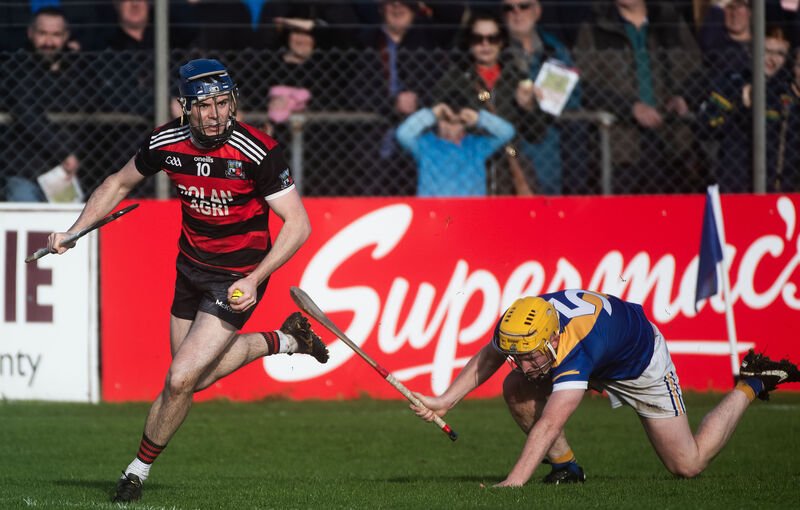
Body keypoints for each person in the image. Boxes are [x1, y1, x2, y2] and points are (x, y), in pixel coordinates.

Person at [45, 59, 329, 503]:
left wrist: (256, 278)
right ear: (185, 108)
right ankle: (286, 341)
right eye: (205, 106)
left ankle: (135, 473)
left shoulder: (257, 152)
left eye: (222, 103)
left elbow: (298, 224)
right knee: (194, 378)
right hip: (190, 266)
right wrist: (75, 230)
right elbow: (118, 183)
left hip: (238, 274)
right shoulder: (166, 142)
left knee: (179, 380)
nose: (216, 114)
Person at [411, 290, 800, 486]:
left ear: (551, 342)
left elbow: (549, 422)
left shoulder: (578, 347)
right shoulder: (524, 326)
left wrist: (512, 484)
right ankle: (566, 469)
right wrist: (445, 402)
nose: (526, 363)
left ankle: (753, 381)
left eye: (532, 356)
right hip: (601, 349)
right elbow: (492, 355)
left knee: (687, 465)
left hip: (639, 363)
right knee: (516, 385)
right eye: (522, 354)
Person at [574, 0, 702, 194]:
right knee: (624, 220)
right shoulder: (594, 28)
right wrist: (630, 108)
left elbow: (697, 72)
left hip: (672, 142)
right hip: (620, 148)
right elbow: (584, 87)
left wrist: (685, 97)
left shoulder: (670, 22)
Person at [433, 10, 548, 195]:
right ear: (469, 42)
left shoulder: (516, 79)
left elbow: (537, 135)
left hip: (508, 175)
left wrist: (528, 108)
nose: (485, 44)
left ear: (502, 42)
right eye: (478, 38)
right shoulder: (452, 80)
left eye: (492, 38)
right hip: (467, 174)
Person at [1, 6, 86, 202]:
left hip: (66, 174)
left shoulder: (78, 69)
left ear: (66, 36)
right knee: (26, 226)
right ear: (31, 33)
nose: (49, 42)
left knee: (66, 230)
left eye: (56, 34)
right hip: (25, 171)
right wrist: (65, 152)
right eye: (43, 33)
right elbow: (26, 111)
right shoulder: (17, 66)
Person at [698, 26, 794, 192]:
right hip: (735, 183)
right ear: (753, 51)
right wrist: (741, 108)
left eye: (779, 54)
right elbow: (707, 127)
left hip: (775, 185)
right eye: (766, 51)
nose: (772, 59)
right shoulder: (733, 83)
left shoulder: (784, 92)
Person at [500, 0, 582, 195]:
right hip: (506, 157)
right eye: (509, 8)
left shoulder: (556, 51)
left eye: (524, 6)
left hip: (548, 158)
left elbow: (575, 100)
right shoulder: (493, 50)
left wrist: (545, 101)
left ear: (537, 11)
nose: (516, 13)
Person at [395, 102, 515, 196]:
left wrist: (480, 119)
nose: (450, 127)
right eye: (445, 121)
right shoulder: (426, 144)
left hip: (470, 212)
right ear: (437, 122)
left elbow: (508, 132)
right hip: (433, 211)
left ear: (464, 125)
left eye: (456, 122)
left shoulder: (477, 146)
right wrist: (431, 113)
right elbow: (403, 134)